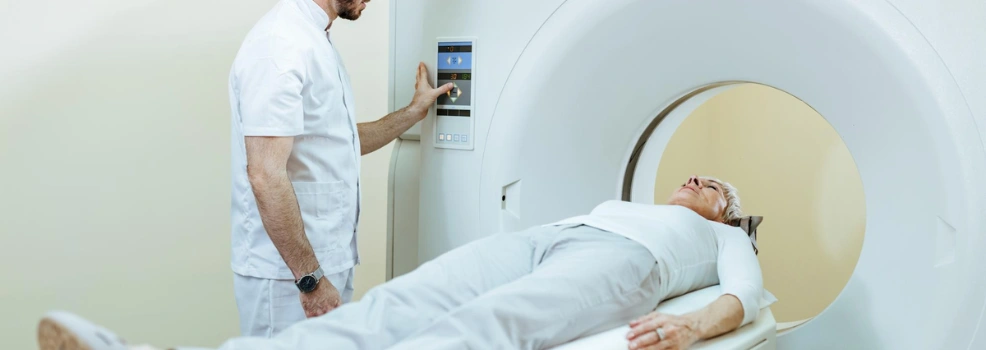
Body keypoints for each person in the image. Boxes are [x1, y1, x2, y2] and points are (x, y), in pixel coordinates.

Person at [37, 176, 763, 350]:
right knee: (392, 306)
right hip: (550, 236)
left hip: (626, 266)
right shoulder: (615, 201)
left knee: (484, 325)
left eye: (714, 185)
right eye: (691, 174)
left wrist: (691, 328)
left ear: (725, 212)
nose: (696, 180)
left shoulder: (723, 239)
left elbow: (745, 298)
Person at [227, 0, 453, 338]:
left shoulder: (314, 37)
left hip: (325, 262)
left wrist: (413, 112)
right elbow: (264, 174)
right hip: (291, 277)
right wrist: (310, 279)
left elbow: (336, 143)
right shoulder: (279, 44)